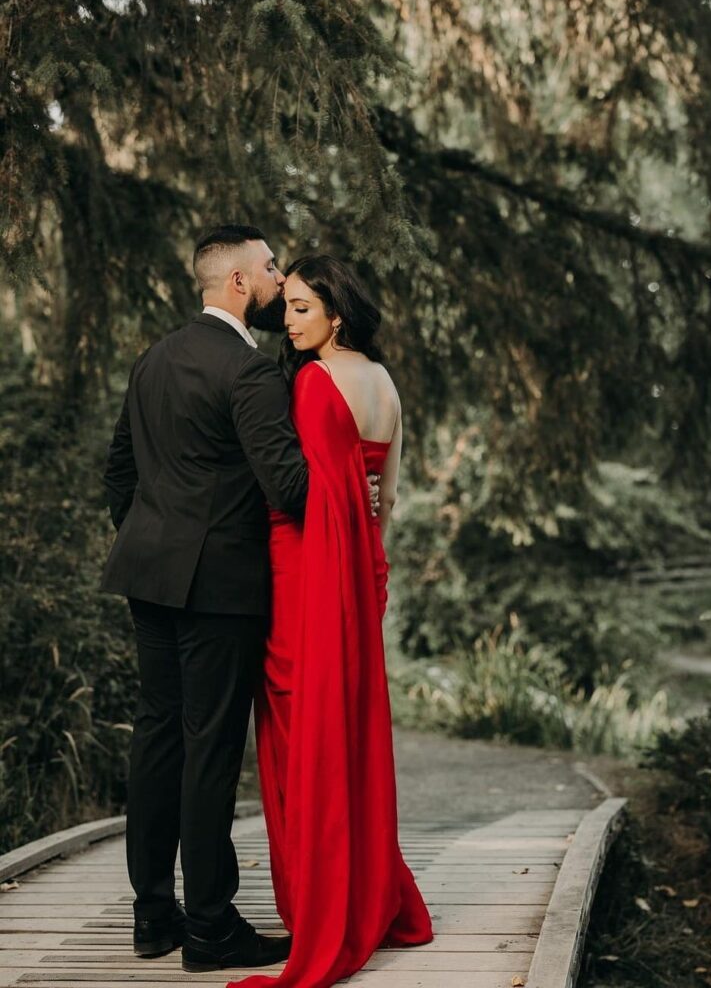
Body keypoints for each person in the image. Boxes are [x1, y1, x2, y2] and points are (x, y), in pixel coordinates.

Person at [101, 226, 377, 974]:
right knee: (210, 750)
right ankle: (211, 926)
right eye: (267, 271)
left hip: (147, 576)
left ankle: (152, 917)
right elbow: (286, 485)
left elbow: (118, 474)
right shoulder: (250, 372)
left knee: (156, 740)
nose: (275, 280)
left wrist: (154, 538)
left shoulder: (151, 359)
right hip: (220, 586)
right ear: (236, 285)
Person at [229, 255, 433, 988]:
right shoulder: (382, 382)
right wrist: (369, 570)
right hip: (361, 571)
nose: (288, 321)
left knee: (301, 732)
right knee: (348, 729)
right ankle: (370, 895)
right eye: (286, 308)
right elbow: (385, 497)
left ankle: (322, 910)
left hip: (307, 572)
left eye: (302, 308)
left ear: (336, 312)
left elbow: (299, 496)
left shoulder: (315, 381)